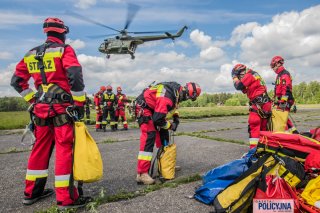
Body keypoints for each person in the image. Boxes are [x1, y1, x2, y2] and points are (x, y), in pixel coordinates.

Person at [10, 17, 91, 210]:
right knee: (64, 150)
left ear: (46, 32)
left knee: (39, 149)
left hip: (40, 111)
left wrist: (32, 100)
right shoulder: (65, 49)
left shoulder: (30, 54)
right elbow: (74, 75)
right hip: (62, 110)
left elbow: (16, 81)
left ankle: (32, 192)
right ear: (63, 32)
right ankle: (66, 199)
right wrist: (79, 104)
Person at [135, 82, 201, 185]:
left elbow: (175, 105)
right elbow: (158, 120)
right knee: (149, 136)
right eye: (187, 97)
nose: (186, 99)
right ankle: (142, 174)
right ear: (187, 93)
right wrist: (170, 126)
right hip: (145, 109)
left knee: (164, 136)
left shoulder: (176, 91)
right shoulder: (168, 96)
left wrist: (176, 117)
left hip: (154, 109)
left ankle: (166, 165)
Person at [232, 64, 272, 149]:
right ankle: (263, 149)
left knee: (253, 127)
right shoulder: (255, 74)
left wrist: (234, 78)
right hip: (265, 104)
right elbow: (246, 89)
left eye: (239, 76)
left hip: (258, 105)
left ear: (241, 72)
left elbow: (238, 86)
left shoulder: (249, 74)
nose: (240, 79)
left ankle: (253, 151)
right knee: (263, 128)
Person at [270, 56, 298, 133]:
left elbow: (287, 89)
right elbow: (278, 88)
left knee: (280, 118)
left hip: (286, 100)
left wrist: (283, 100)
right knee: (285, 118)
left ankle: (284, 137)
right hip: (282, 100)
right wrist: (274, 98)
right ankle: (294, 132)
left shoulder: (284, 74)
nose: (273, 68)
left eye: (273, 66)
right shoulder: (279, 75)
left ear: (278, 64)